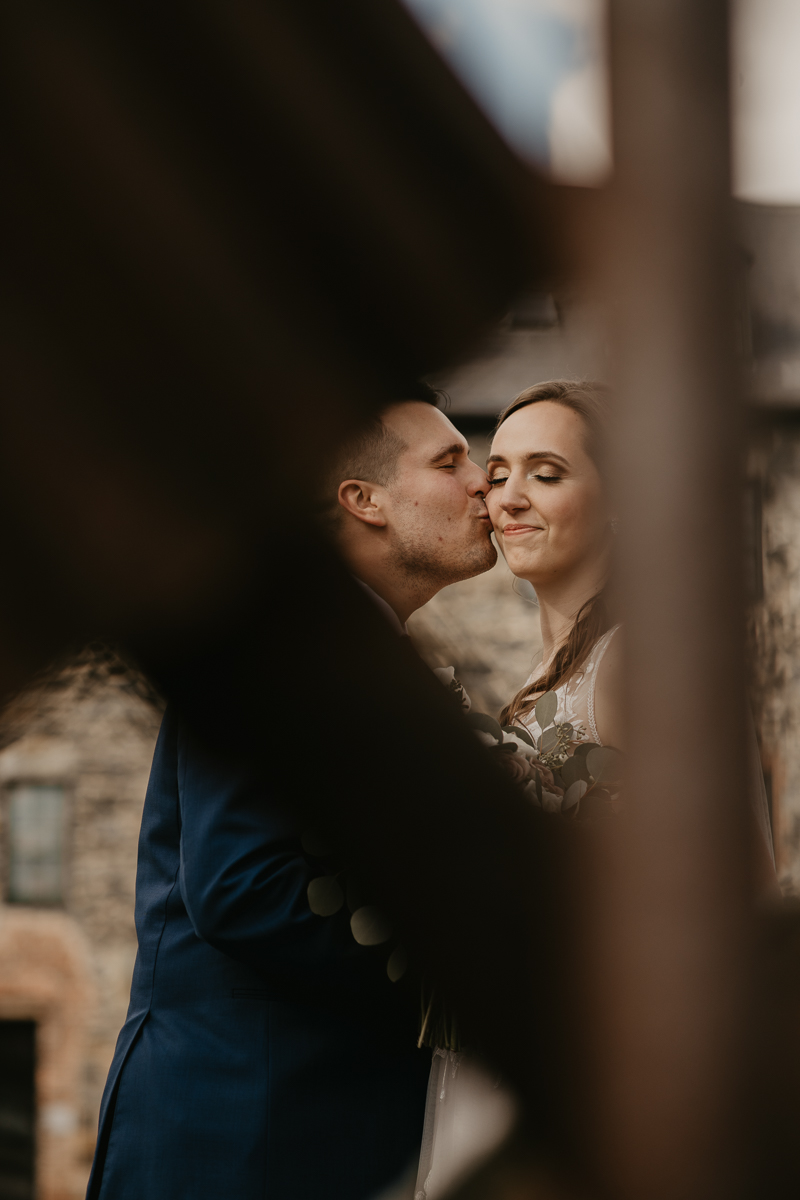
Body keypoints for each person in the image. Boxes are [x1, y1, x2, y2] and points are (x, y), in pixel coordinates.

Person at [86, 386, 498, 1200]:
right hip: (238, 1133)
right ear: (364, 501)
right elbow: (241, 888)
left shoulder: (370, 661)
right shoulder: (277, 653)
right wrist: (465, 977)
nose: (484, 481)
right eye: (451, 461)